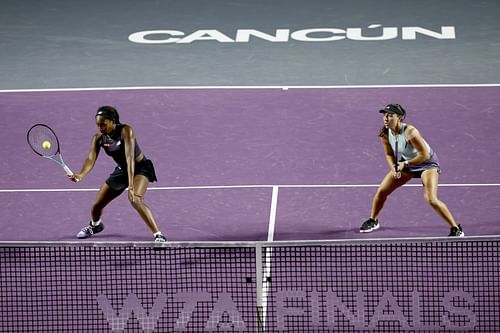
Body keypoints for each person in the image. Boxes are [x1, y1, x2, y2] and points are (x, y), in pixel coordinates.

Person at [360, 104, 464, 237]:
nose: (386, 118)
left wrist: (405, 163)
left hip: (427, 164)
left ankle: (456, 228)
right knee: (382, 191)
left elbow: (424, 155)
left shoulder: (410, 132)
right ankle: (373, 220)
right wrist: (394, 168)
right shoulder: (385, 133)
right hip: (407, 163)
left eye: (390, 115)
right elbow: (389, 154)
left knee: (431, 198)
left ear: (399, 118)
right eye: (384, 115)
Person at [69, 105, 167, 242]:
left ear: (113, 121)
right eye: (98, 125)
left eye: (103, 124)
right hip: (122, 170)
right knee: (97, 205)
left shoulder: (126, 130)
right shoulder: (99, 138)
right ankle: (95, 226)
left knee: (135, 199)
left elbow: (129, 157)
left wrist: (131, 185)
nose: (100, 128)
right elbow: (90, 159)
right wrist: (80, 175)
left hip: (139, 168)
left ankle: (158, 235)